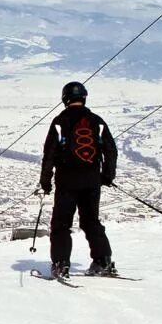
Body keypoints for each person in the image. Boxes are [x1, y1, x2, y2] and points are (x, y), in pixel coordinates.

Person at [39, 81, 118, 278]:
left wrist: (46, 181)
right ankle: (103, 261)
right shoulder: (97, 121)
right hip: (92, 180)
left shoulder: (59, 122)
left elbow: (49, 154)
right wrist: (106, 176)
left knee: (61, 224)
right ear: (84, 97)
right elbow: (110, 151)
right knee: (91, 221)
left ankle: (61, 263)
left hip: (67, 180)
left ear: (65, 99)